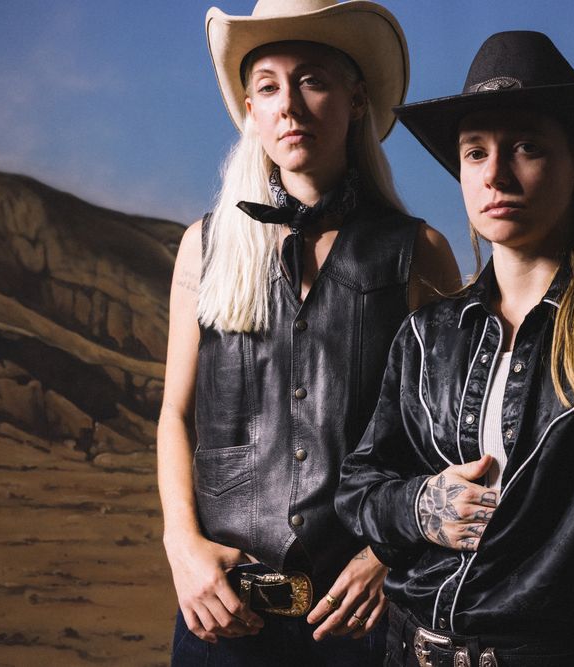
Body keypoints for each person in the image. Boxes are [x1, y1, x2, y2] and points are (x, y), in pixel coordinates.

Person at [336, 31, 574, 667]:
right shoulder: (427, 336)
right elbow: (360, 487)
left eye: (528, 148)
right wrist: (422, 507)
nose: (497, 174)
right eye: (475, 152)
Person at [157, 1, 460, 664]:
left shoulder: (419, 254)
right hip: (222, 614)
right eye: (268, 86)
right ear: (249, 110)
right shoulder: (202, 249)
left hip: (364, 618)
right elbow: (175, 414)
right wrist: (181, 545)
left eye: (313, 80)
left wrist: (387, 554)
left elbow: (449, 441)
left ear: (355, 101)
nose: (289, 105)